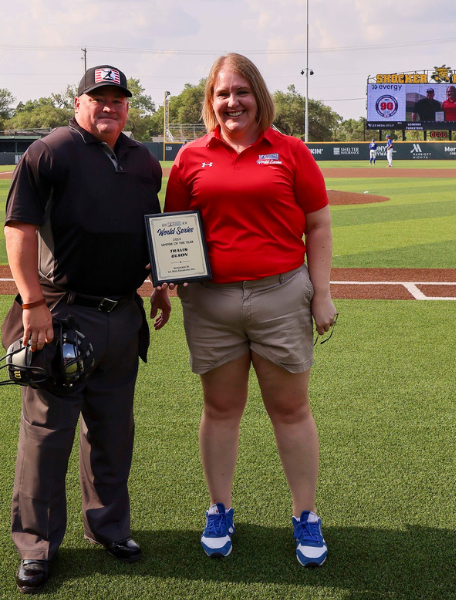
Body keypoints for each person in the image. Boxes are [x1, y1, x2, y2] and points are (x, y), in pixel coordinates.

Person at [1, 64, 170, 594]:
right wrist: (32, 302)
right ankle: (37, 545)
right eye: (99, 97)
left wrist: (161, 283)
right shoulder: (49, 151)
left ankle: (109, 526)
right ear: (78, 102)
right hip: (63, 312)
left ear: (127, 107)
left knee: (114, 433)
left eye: (118, 98)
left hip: (123, 312)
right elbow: (19, 228)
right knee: (48, 435)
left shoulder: (144, 160)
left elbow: (153, 228)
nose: (109, 106)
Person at [163, 53, 336, 567]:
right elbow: (173, 230)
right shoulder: (191, 156)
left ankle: (305, 514)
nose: (231, 102)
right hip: (210, 301)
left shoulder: (290, 151)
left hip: (281, 295)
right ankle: (219, 508)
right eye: (222, 94)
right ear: (210, 101)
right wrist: (163, 284)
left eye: (241, 91)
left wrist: (322, 293)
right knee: (220, 410)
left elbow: (319, 225)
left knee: (291, 410)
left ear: (259, 95)